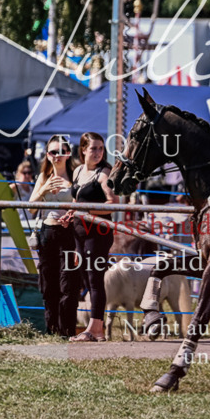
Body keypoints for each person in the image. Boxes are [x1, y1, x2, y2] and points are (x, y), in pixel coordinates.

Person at [69, 132, 118, 342]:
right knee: (86, 278)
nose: (98, 153)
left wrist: (88, 210)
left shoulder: (104, 173)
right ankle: (93, 327)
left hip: (98, 233)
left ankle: (96, 328)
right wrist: (71, 215)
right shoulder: (78, 171)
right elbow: (75, 201)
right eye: (93, 148)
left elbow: (113, 203)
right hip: (78, 231)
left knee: (95, 279)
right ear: (83, 150)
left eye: (100, 148)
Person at [28, 135, 77, 337]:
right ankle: (51, 330)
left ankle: (67, 330)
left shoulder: (75, 176)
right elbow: (31, 208)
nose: (57, 156)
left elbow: (80, 203)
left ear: (68, 153)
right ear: (47, 155)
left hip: (68, 232)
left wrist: (71, 213)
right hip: (47, 233)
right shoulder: (43, 177)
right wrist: (44, 190)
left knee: (68, 283)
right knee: (48, 284)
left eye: (61, 151)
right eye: (52, 152)